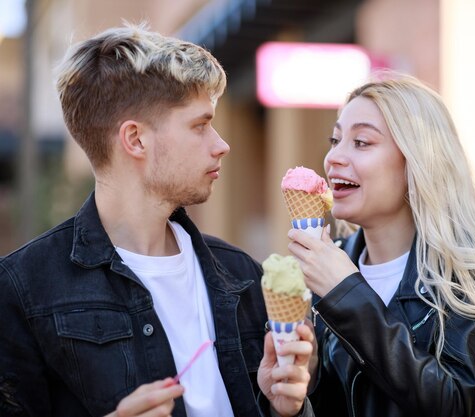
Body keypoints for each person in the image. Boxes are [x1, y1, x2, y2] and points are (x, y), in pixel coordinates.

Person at [0, 24, 314, 417]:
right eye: (200, 125)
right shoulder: (21, 288)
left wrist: (286, 410)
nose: (221, 145)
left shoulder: (244, 276)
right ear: (135, 139)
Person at [287, 73, 475, 416]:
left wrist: (349, 296)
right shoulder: (334, 260)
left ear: (417, 161)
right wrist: (301, 392)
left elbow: (465, 407)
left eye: (361, 142)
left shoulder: (465, 269)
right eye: (335, 140)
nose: (333, 158)